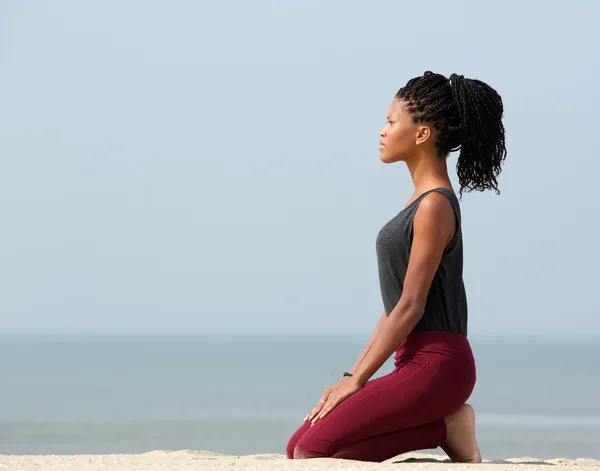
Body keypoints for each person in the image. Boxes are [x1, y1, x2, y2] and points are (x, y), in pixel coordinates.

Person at [285, 71, 507, 463]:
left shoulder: (434, 205)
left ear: (422, 134)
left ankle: (448, 426)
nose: (382, 132)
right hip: (413, 359)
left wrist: (357, 381)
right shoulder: (417, 202)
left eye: (391, 122)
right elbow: (394, 307)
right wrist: (349, 376)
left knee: (311, 451)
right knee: (298, 446)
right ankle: (446, 426)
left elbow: (411, 306)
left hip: (440, 362)